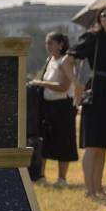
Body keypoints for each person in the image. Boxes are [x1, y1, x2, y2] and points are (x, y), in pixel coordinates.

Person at [66, 5, 106, 197]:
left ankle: (98, 188)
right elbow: (67, 60)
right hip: (96, 89)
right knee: (93, 143)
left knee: (103, 143)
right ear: (99, 19)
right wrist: (76, 83)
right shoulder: (92, 38)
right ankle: (89, 189)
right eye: (104, 16)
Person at [29, 32, 77, 186]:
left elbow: (64, 86)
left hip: (63, 106)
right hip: (48, 106)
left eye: (50, 43)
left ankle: (62, 178)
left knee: (64, 141)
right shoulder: (50, 60)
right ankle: (41, 175)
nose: (47, 46)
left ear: (61, 45)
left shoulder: (65, 61)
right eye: (46, 43)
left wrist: (40, 83)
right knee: (45, 141)